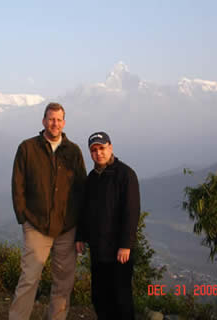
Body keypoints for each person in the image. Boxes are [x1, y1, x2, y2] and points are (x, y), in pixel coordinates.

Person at [9, 102, 86, 320]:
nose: (55, 124)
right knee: (29, 279)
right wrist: (23, 217)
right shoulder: (27, 148)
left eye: (59, 120)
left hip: (67, 228)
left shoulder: (73, 151)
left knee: (64, 283)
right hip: (36, 225)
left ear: (64, 122)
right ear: (43, 121)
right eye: (51, 119)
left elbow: (81, 190)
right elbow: (18, 184)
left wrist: (80, 228)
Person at [75, 131, 140, 320]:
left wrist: (126, 244)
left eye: (102, 148)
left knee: (121, 298)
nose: (98, 153)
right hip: (98, 249)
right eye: (94, 150)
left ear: (110, 147)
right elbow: (85, 211)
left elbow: (131, 211)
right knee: (99, 297)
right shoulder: (92, 178)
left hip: (120, 251)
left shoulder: (125, 174)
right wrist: (80, 236)